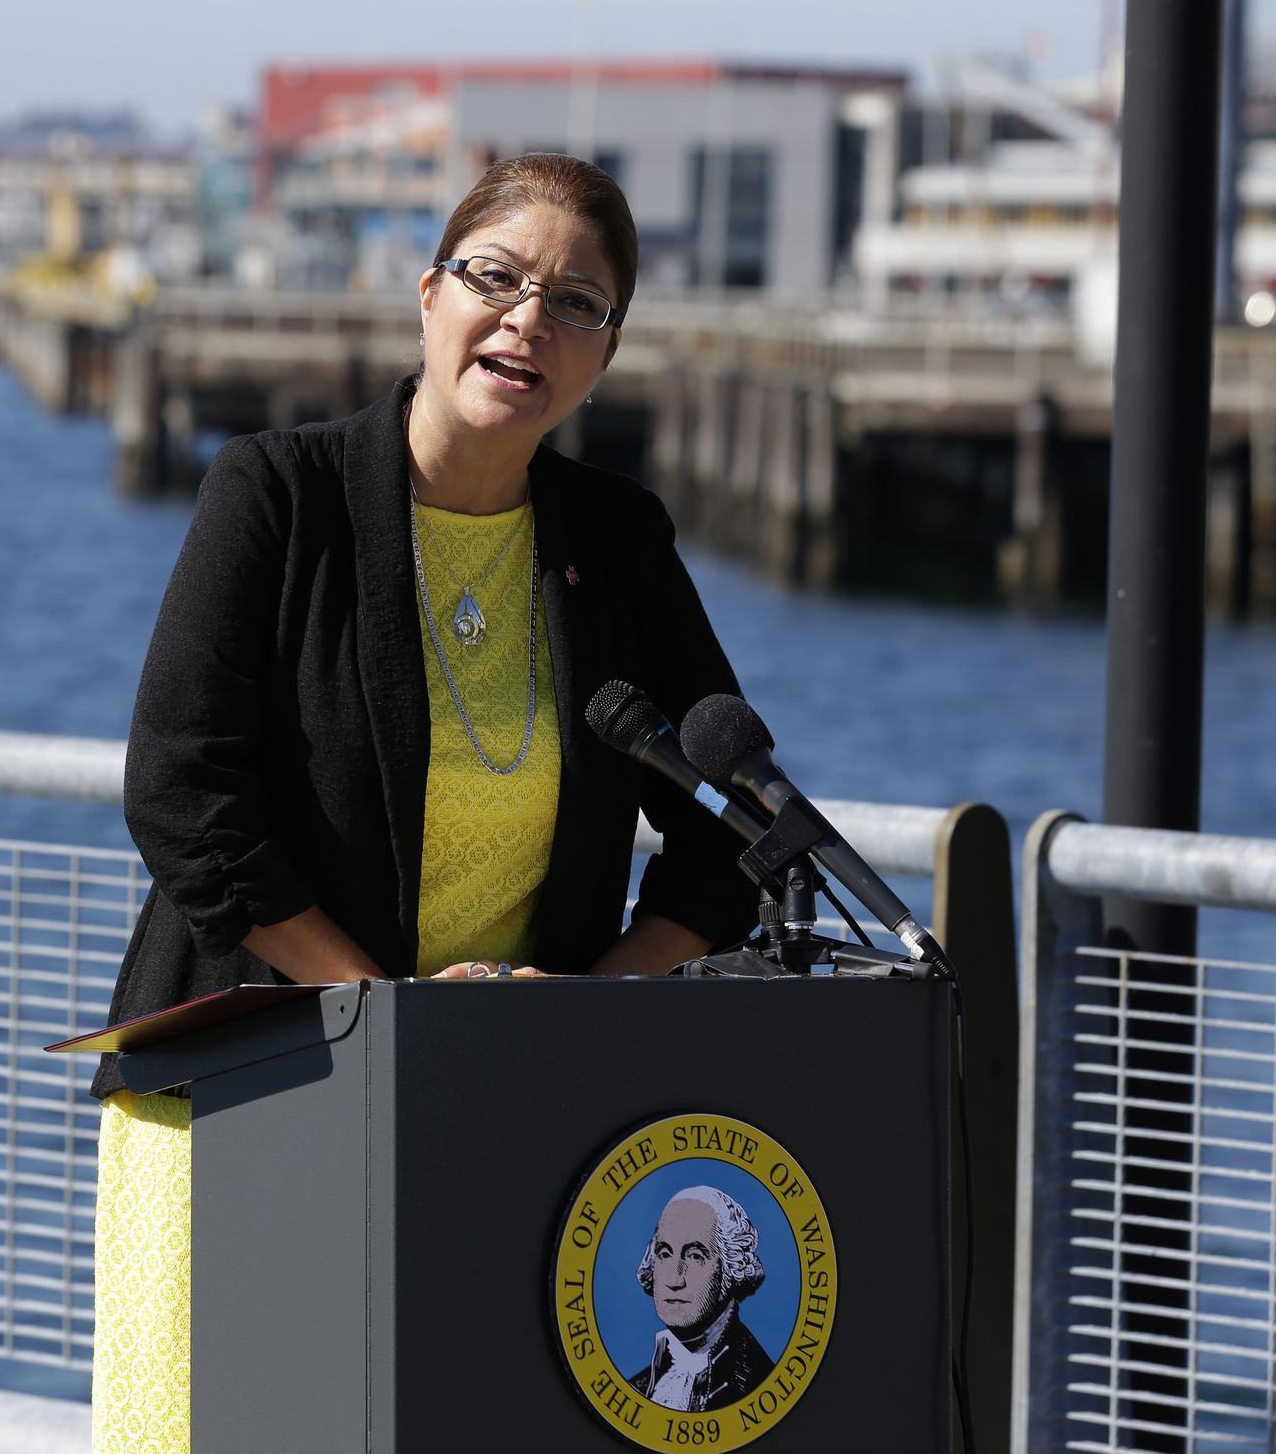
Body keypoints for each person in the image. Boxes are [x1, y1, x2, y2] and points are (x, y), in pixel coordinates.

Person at [89, 152, 760, 1453]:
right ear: (427, 293)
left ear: (605, 354)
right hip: (251, 1097)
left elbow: (729, 824)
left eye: (578, 303)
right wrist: (378, 1020)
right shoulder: (276, 497)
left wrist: (588, 1011)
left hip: (495, 1112)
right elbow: (178, 787)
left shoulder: (617, 543)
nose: (529, 319)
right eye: (497, 277)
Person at [626, 1186, 774, 1411]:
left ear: (731, 1267)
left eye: (696, 1256)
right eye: (665, 1254)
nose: (675, 1279)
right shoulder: (636, 1389)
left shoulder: (760, 1385)